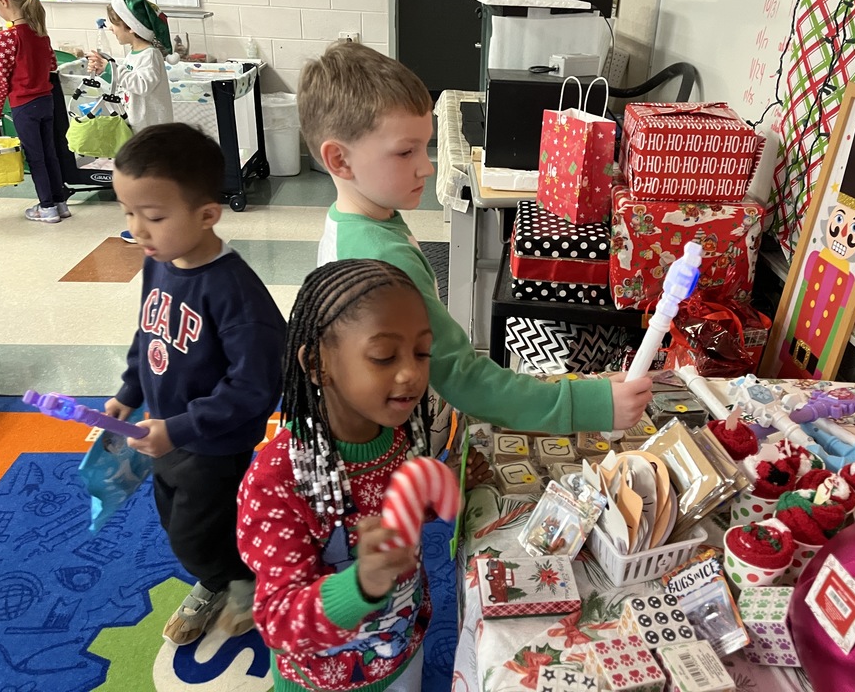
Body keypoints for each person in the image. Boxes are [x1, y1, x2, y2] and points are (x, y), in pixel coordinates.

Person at [300, 42, 654, 435]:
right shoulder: (385, 261)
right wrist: (591, 405)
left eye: (425, 147)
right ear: (339, 160)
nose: (426, 168)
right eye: (405, 153)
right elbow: (462, 377)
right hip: (398, 445)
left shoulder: (353, 223)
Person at [239, 259, 488, 692]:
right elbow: (278, 619)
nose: (411, 372)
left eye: (422, 352)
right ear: (318, 365)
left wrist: (436, 489)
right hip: (322, 679)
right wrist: (360, 584)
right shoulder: (278, 478)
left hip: (401, 647)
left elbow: (397, 514)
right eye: (383, 356)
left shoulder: (398, 433)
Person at [104, 123, 286, 647]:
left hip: (213, 442)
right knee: (174, 517)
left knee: (195, 532)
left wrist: (180, 427)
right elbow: (150, 332)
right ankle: (221, 571)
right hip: (164, 430)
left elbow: (255, 388)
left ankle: (239, 583)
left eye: (154, 216)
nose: (139, 229)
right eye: (128, 213)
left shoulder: (236, 296)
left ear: (207, 215)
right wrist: (128, 392)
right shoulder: (158, 261)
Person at [87, 0, 177, 243]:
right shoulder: (133, 55)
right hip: (138, 125)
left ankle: (157, 225)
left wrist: (111, 69)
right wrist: (105, 71)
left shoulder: (150, 55)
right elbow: (125, 83)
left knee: (150, 180)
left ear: (130, 27)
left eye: (115, 25)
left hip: (152, 130)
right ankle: (151, 224)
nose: (112, 30)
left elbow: (143, 84)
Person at [0, 0, 69, 223]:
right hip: (46, 101)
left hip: (24, 105)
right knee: (50, 153)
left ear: (3, 2)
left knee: (36, 157)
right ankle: (60, 202)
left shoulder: (8, 38)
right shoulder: (40, 33)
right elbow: (52, 64)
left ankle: (47, 208)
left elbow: (1, 79)